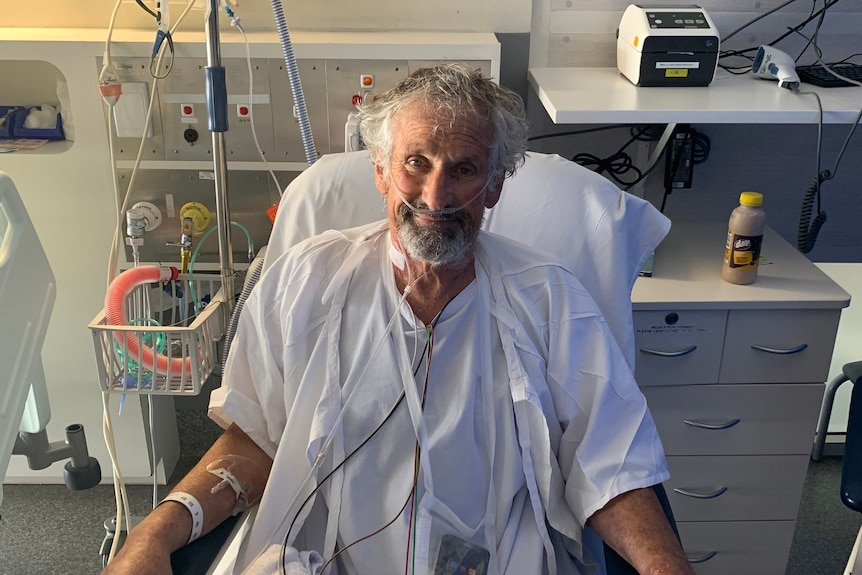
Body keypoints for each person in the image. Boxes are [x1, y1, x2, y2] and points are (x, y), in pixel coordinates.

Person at [102, 63, 693, 575]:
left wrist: (664, 565)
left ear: (494, 186)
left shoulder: (551, 301)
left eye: (464, 170)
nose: (436, 197)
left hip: (499, 558)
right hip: (324, 558)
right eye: (417, 163)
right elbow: (254, 439)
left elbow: (611, 465)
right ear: (381, 172)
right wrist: (155, 532)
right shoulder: (304, 282)